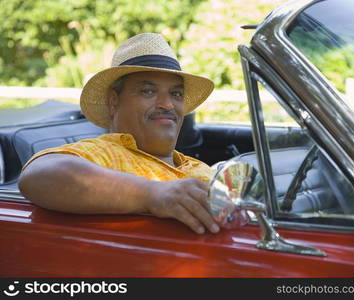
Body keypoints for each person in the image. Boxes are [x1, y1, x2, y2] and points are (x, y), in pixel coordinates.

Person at [18, 33, 220, 235]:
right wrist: (152, 194)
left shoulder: (198, 166)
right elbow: (37, 175)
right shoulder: (104, 153)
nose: (167, 105)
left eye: (176, 94)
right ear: (113, 101)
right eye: (148, 91)